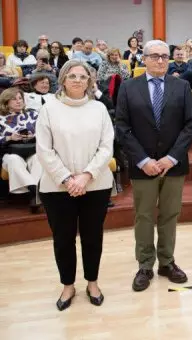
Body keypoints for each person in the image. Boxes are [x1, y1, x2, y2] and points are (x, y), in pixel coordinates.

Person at [115, 40, 192, 292]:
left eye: (165, 56)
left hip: (173, 164)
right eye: (155, 56)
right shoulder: (128, 88)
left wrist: (171, 158)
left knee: (170, 214)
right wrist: (143, 160)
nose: (161, 60)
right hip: (144, 166)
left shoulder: (182, 86)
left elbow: (190, 125)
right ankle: (145, 265)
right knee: (144, 215)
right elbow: (122, 126)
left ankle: (167, 262)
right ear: (145, 59)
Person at [35, 60, 114, 310]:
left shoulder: (99, 109)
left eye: (83, 76)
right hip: (57, 187)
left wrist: (86, 176)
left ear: (90, 82)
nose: (78, 80)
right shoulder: (49, 109)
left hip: (96, 185)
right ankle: (68, 285)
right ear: (63, 80)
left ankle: (92, 282)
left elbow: (106, 147)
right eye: (72, 76)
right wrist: (69, 179)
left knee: (93, 237)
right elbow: (44, 150)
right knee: (63, 238)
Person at [0, 88, 41, 212]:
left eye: (20, 98)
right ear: (6, 102)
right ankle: (34, 191)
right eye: (14, 99)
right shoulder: (1, 119)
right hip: (10, 152)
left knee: (39, 159)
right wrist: (9, 137)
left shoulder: (33, 114)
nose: (18, 101)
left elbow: (46, 133)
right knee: (14, 160)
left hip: (32, 148)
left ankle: (33, 194)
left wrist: (34, 136)